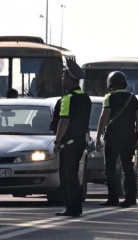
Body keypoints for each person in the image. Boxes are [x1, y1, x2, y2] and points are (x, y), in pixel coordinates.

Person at [95, 71, 138, 208]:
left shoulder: (109, 97)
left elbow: (104, 117)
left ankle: (113, 198)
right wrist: (137, 135)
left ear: (110, 84)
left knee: (110, 168)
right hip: (129, 138)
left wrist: (98, 136)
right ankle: (131, 198)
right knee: (128, 168)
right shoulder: (132, 98)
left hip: (113, 138)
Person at [54, 59, 92, 217]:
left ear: (70, 78)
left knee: (67, 175)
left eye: (64, 76)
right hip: (80, 142)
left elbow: (64, 121)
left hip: (68, 143)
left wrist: (57, 141)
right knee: (74, 174)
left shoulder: (68, 99)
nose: (62, 79)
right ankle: (75, 207)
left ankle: (71, 207)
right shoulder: (85, 98)